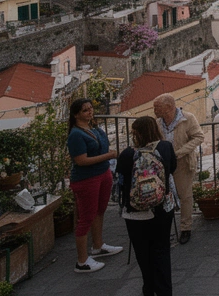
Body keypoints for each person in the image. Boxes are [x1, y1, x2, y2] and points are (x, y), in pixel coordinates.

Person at [116, 116, 177, 296]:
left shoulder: (127, 154)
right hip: (162, 208)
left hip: (136, 213)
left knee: (143, 254)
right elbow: (172, 168)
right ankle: (165, 291)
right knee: (162, 250)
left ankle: (148, 289)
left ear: (136, 133)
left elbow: (121, 182)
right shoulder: (165, 147)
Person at [67, 98, 122, 273]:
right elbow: (81, 160)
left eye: (90, 109)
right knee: (86, 218)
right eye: (85, 110)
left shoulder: (94, 129)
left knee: (99, 210)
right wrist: (108, 156)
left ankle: (98, 246)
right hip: (87, 179)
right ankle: (82, 261)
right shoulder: (76, 134)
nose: (90, 112)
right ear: (76, 114)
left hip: (102, 174)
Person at [152, 93, 203, 244]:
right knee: (163, 194)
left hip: (183, 162)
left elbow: (199, 137)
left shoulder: (187, 118)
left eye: (157, 107)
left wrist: (180, 152)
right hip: (163, 164)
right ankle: (165, 227)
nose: (154, 110)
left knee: (184, 195)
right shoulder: (158, 122)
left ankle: (185, 228)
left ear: (168, 108)